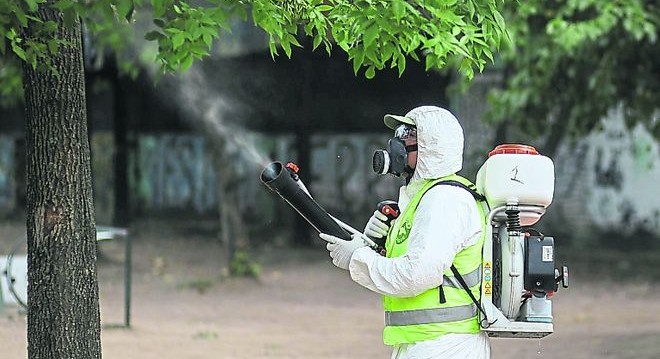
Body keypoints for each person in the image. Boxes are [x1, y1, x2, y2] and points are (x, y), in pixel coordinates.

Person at [319, 105, 491, 359]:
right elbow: (407, 262)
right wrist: (373, 245)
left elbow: (416, 275)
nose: (397, 142)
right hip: (427, 342)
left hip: (445, 345)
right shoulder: (423, 198)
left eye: (408, 134)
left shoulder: (445, 200)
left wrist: (358, 258)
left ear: (432, 147)